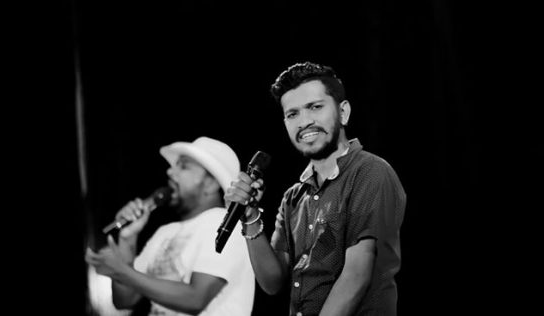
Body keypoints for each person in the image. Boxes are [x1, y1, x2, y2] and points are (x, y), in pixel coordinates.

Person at [226, 61, 407, 316]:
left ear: (343, 112)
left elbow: (356, 277)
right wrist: (250, 217)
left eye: (315, 107)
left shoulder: (370, 172)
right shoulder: (293, 197)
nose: (304, 122)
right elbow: (272, 282)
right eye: (293, 114)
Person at [86, 136, 256, 316]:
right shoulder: (165, 233)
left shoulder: (226, 225)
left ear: (210, 184)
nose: (170, 172)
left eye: (183, 167)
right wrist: (128, 239)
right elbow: (125, 300)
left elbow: (195, 299)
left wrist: (122, 271)